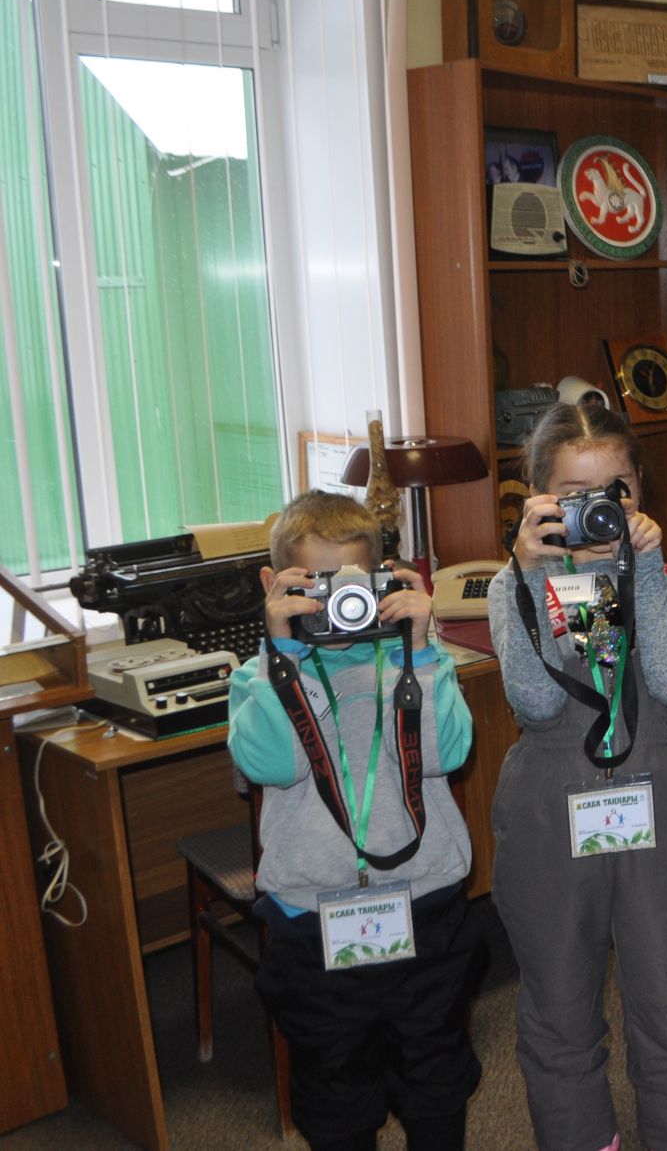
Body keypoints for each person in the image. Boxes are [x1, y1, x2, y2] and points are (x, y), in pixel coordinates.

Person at [485, 402, 667, 1151]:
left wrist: (643, 570)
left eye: (616, 492)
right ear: (536, 502)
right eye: (575, 496)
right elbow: (539, 698)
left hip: (662, 806)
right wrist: (537, 575)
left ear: (640, 495)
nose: (599, 512)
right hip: (552, 814)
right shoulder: (509, 584)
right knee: (557, 1007)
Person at [230, 490, 481, 1151]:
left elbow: (448, 754)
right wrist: (284, 656)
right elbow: (274, 762)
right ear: (274, 584)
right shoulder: (260, 675)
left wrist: (421, 650)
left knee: (436, 1082)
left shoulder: (411, 660)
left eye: (350, 584)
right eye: (313, 586)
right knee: (334, 1097)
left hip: (425, 910)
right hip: (315, 925)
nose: (336, 605)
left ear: (380, 579)